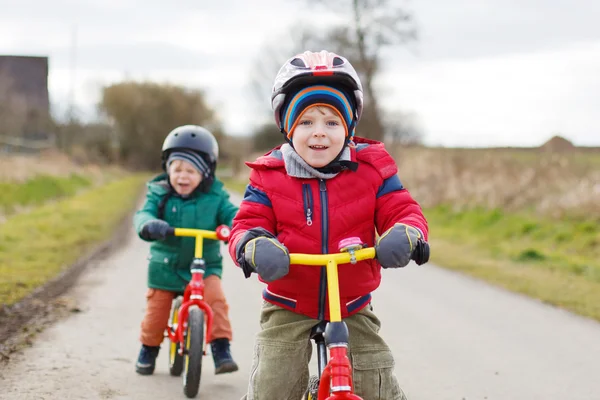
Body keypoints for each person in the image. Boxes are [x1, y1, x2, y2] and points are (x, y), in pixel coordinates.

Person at [228, 50, 429, 400]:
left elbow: (403, 210)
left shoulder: (372, 170)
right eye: (306, 122)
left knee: (376, 382)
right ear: (288, 126)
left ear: (349, 127)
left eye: (332, 122)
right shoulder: (268, 176)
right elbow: (246, 223)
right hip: (288, 300)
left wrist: (407, 233)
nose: (319, 133)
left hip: (352, 301)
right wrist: (254, 245)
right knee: (272, 387)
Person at [133, 125, 239, 376]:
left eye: (190, 170)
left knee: (216, 303)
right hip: (165, 268)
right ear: (166, 169)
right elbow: (143, 214)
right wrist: (149, 224)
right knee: (156, 313)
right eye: (176, 169)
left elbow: (235, 216)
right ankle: (148, 348)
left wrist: (236, 229)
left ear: (205, 173)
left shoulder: (216, 197)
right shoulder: (159, 193)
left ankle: (221, 349)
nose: (182, 176)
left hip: (205, 266)